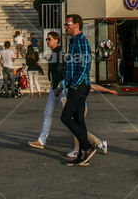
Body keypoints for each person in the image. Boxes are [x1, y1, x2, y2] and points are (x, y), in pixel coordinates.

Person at [61, 13, 96, 166]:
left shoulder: (81, 42)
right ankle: (83, 154)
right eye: (65, 24)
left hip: (79, 86)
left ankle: (87, 147)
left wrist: (74, 84)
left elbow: (84, 66)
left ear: (77, 25)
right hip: (75, 86)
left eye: (68, 24)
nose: (65, 27)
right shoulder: (73, 42)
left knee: (66, 117)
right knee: (79, 119)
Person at [28, 32, 65, 150]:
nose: (47, 41)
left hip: (60, 88)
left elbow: (59, 70)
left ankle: (94, 142)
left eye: (49, 39)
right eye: (46, 39)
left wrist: (58, 86)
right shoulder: (55, 52)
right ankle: (41, 140)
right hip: (55, 87)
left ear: (56, 40)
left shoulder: (58, 53)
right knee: (48, 113)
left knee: (71, 118)